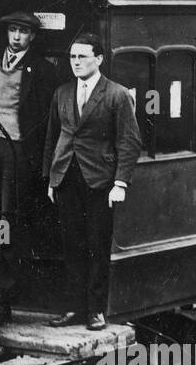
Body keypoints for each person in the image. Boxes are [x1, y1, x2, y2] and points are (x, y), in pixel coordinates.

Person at [43, 33, 142, 330]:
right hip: (66, 178)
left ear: (98, 59)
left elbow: (130, 142)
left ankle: (96, 310)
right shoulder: (61, 93)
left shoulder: (117, 95)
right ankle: (74, 308)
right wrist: (51, 178)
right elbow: (52, 137)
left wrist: (120, 183)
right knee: (71, 245)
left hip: (99, 181)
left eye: (82, 57)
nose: (76, 62)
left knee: (96, 246)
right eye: (72, 57)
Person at [0, 12, 59, 318]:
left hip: (15, 151)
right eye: (13, 31)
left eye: (23, 32)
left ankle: (3, 294)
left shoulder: (42, 70)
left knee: (6, 221)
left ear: (33, 37)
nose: (16, 37)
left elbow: (45, 118)